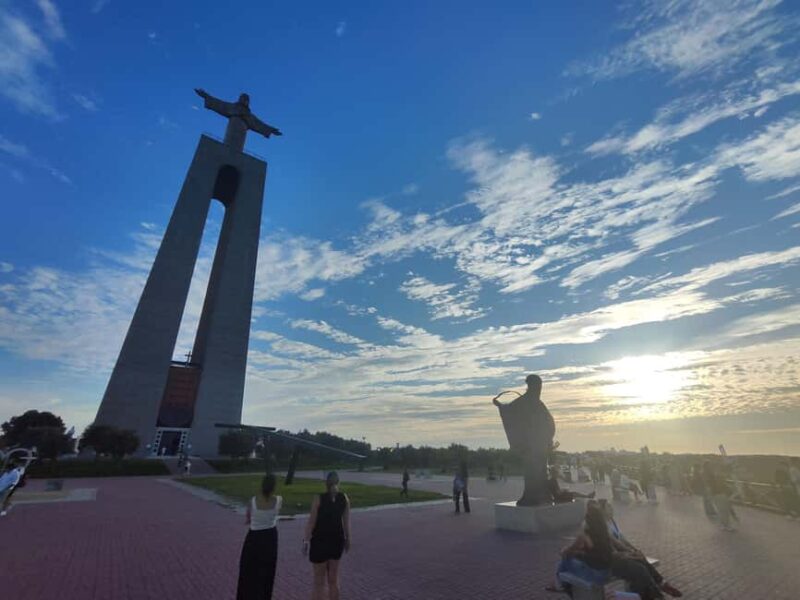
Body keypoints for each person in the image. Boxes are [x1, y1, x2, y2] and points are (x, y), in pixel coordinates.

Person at [598, 500, 683, 598]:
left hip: (623, 554)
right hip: (618, 557)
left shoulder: (612, 521)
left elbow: (623, 539)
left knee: (642, 559)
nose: (611, 509)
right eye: (608, 507)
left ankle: (661, 585)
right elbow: (616, 545)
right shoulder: (603, 527)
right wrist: (631, 552)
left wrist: (635, 549)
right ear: (603, 511)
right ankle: (658, 590)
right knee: (641, 569)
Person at [493, 374, 555, 505]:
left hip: (536, 445)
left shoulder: (532, 402)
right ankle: (535, 496)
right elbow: (510, 409)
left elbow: (509, 410)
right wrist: (500, 405)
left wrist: (499, 405)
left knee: (537, 471)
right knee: (534, 471)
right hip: (535, 445)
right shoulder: (532, 402)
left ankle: (538, 497)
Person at [304, 471, 351, 600]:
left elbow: (311, 522)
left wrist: (305, 541)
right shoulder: (344, 498)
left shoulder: (318, 498)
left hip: (319, 542)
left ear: (326, 484)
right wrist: (348, 540)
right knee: (334, 580)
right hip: (337, 541)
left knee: (318, 583)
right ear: (338, 483)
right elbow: (346, 523)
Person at [237, 474, 281, 600]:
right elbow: (276, 513)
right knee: (267, 573)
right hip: (270, 538)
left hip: (254, 538)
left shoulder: (253, 501)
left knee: (248, 573)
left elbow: (248, 519)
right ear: (274, 487)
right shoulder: (278, 500)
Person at [703, 461, 734, 530]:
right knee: (723, 510)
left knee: (722, 510)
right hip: (718, 493)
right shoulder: (713, 475)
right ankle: (725, 525)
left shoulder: (711, 475)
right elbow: (713, 485)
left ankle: (724, 525)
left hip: (718, 493)